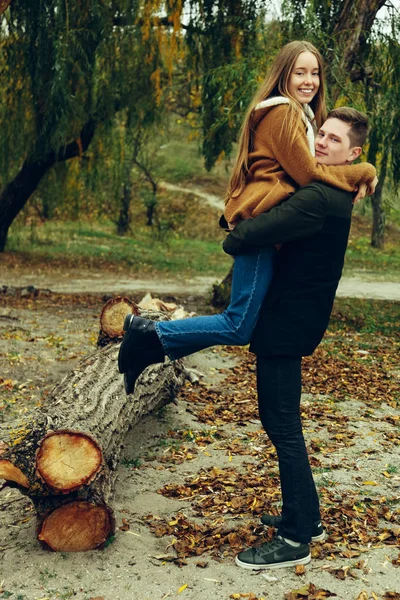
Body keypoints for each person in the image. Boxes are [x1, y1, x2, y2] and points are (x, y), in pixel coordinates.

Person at [117, 41, 376, 394]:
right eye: (299, 72)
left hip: (265, 225)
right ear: (284, 74)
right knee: (238, 325)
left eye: (315, 73)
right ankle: (146, 334)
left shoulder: (301, 117)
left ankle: (144, 352)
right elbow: (309, 176)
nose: (309, 80)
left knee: (243, 324)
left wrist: (363, 173)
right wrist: (364, 170)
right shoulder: (283, 113)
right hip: (258, 225)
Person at [222, 106, 371, 570]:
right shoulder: (334, 192)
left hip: (286, 325)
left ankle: (293, 540)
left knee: (282, 424)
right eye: (320, 134)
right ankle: (306, 518)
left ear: (353, 152)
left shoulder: (317, 199)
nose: (322, 143)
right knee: (282, 423)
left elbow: (246, 235)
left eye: (334, 139)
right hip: (296, 320)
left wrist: (235, 231)